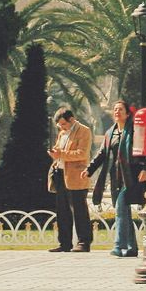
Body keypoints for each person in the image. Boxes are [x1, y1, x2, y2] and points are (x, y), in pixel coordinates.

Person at [88, 99, 146, 257]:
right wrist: (89, 170)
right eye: (115, 109)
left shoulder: (134, 131)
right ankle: (132, 247)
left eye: (120, 109)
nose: (117, 112)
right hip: (115, 178)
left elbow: (143, 151)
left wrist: (145, 168)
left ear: (127, 114)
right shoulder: (110, 133)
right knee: (124, 212)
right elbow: (101, 155)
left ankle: (118, 245)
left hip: (130, 177)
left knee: (121, 210)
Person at [47, 106, 93, 252]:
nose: (62, 127)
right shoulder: (62, 134)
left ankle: (84, 242)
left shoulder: (83, 131)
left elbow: (82, 153)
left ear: (72, 120)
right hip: (60, 175)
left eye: (64, 124)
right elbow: (59, 150)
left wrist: (61, 154)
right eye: (60, 125)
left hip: (76, 176)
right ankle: (64, 243)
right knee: (62, 211)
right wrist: (54, 153)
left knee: (79, 210)